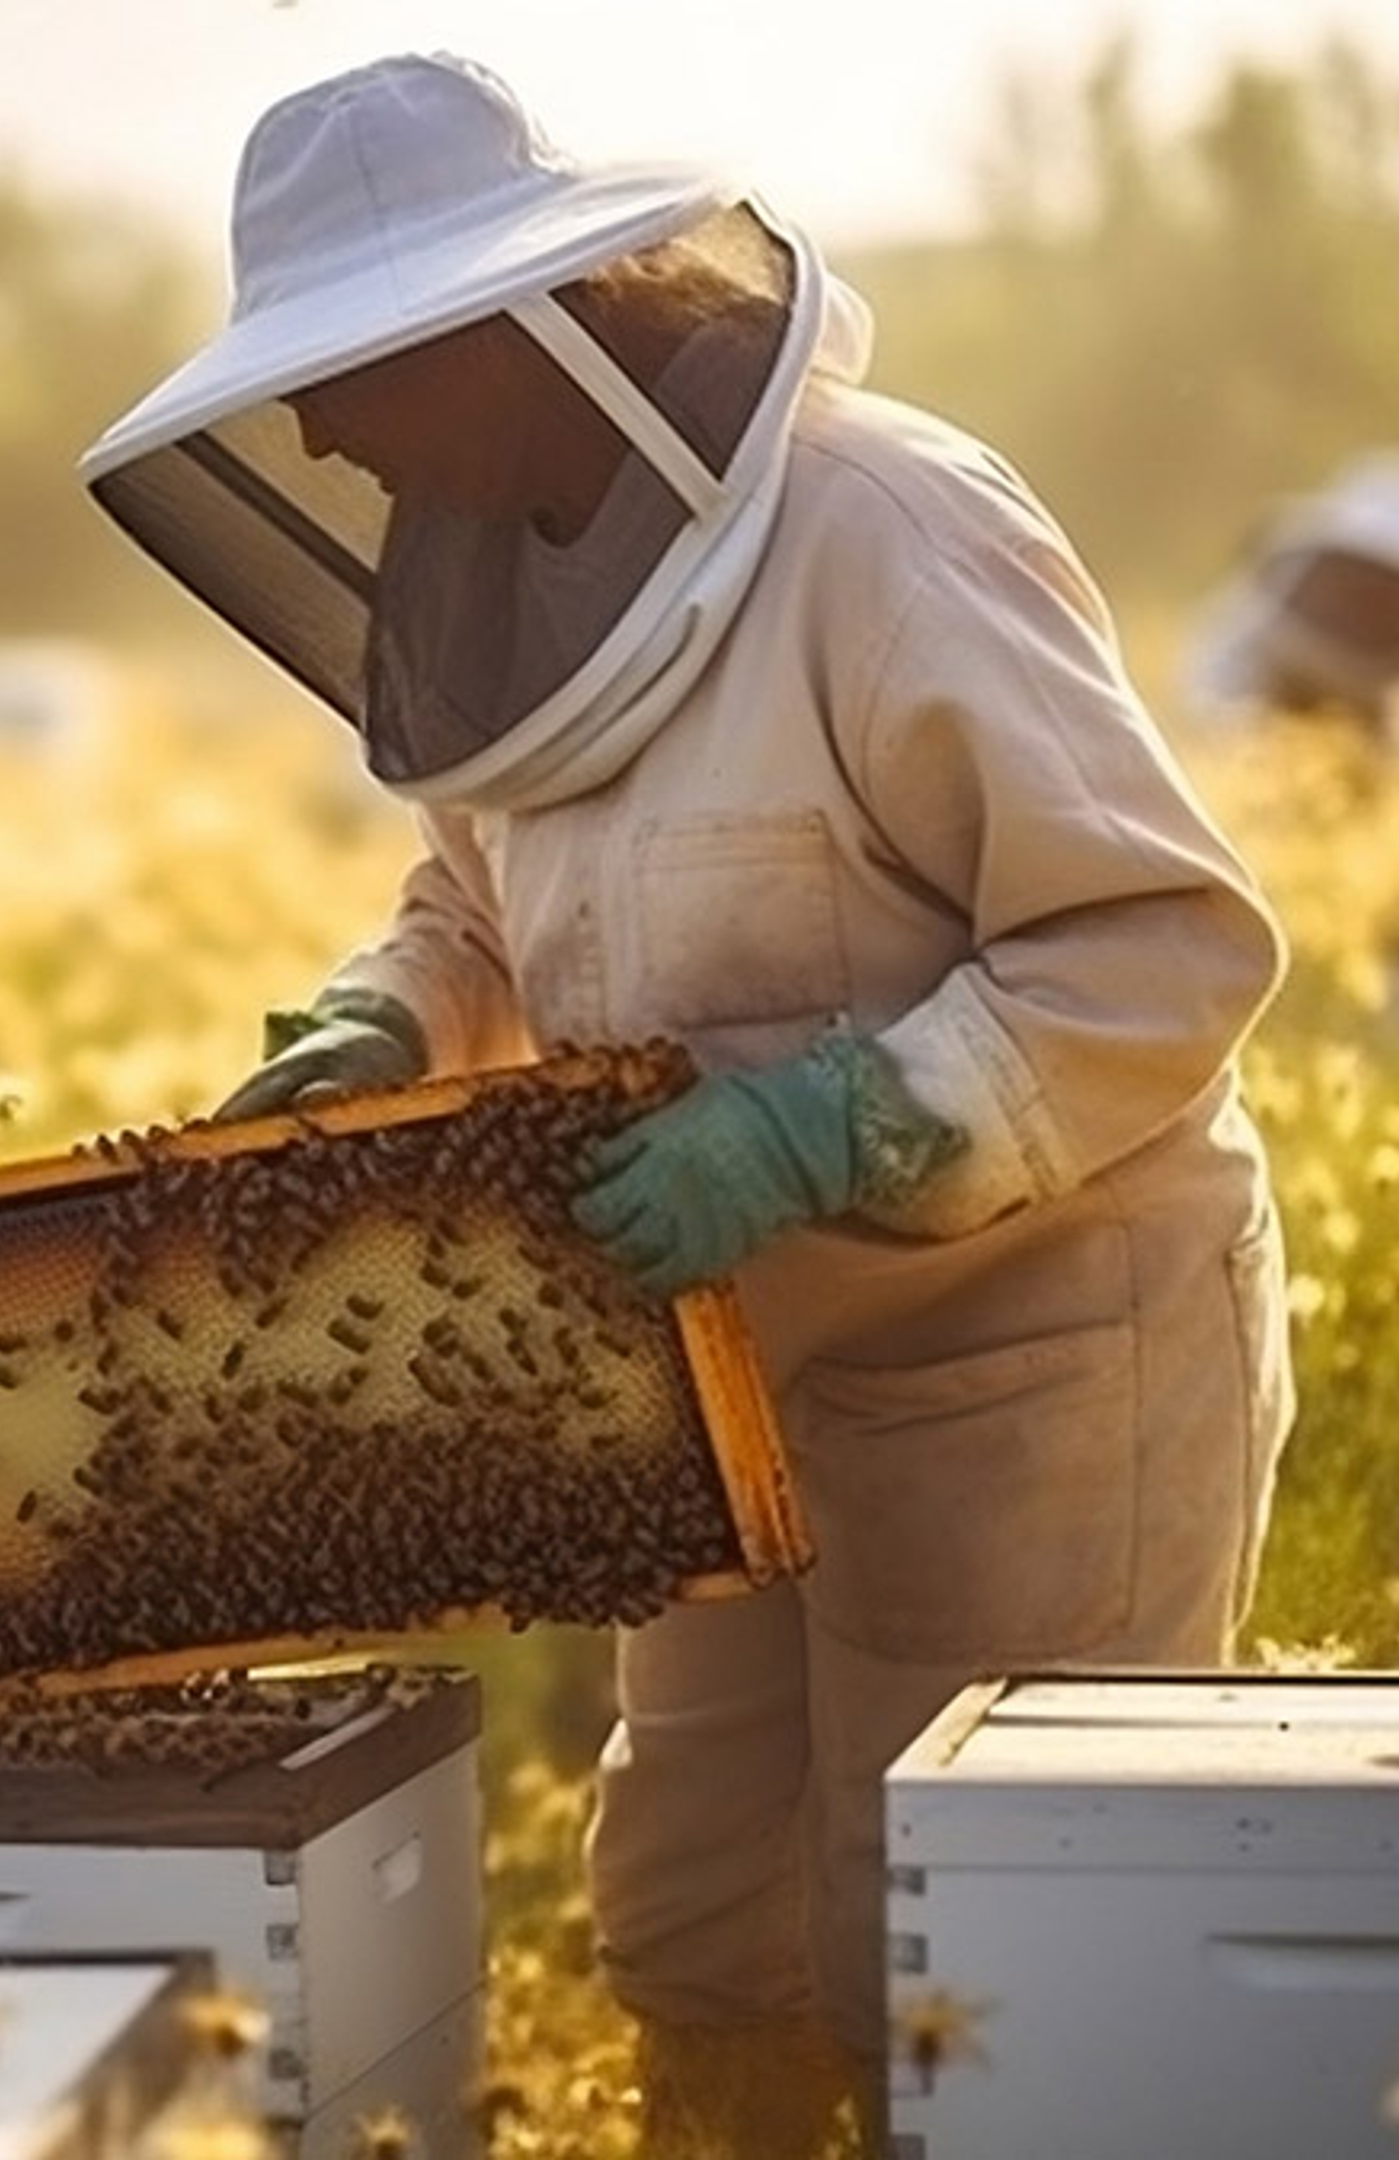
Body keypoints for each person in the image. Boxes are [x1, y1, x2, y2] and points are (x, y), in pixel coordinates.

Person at [81, 54, 1293, 2155]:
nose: (309, 434)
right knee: (699, 1915)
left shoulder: (887, 530)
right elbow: (479, 899)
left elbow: (1162, 948)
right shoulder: (496, 594)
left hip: (1035, 1364)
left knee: (952, 1964)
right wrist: (387, 1024)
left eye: (348, 371)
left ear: (519, 326)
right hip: (711, 1379)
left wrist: (842, 1128)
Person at [1175, 447, 1399, 760]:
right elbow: (1207, 709)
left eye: (1389, 585)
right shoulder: (1245, 637)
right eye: (1364, 576)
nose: (1373, 596)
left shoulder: (1391, 695)